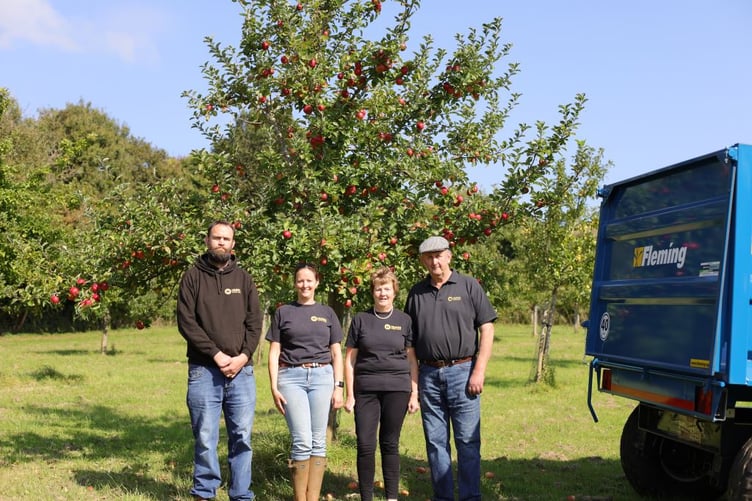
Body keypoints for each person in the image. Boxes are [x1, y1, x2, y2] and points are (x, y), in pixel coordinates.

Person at [404, 236, 497, 501]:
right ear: (424, 260)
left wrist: (479, 370)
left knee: (467, 442)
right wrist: (413, 384)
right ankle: (442, 497)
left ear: (449, 256)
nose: (434, 261)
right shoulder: (416, 292)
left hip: (463, 372)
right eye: (428, 257)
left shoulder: (468, 286)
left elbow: (487, 327)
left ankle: (470, 497)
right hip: (429, 375)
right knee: (435, 443)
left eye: (438, 255)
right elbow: (409, 343)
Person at [177, 220, 263, 501]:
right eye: (217, 238)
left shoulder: (244, 279)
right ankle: (204, 492)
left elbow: (255, 323)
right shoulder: (192, 278)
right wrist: (216, 354)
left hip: (242, 372)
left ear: (233, 244)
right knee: (204, 436)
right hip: (204, 371)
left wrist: (243, 357)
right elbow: (186, 323)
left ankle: (241, 494)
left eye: (227, 239)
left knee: (242, 438)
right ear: (207, 240)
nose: (221, 243)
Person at [266, 263, 345, 501]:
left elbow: (336, 353)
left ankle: (314, 497)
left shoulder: (328, 313)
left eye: (309, 280)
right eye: (300, 280)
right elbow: (274, 352)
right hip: (291, 378)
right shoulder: (283, 312)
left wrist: (338, 386)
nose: (305, 285)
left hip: (322, 377)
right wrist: (273, 385)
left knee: (318, 441)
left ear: (317, 282)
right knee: (301, 440)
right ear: (295, 283)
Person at [344, 267, 420, 501]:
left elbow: (411, 360)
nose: (382, 293)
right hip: (365, 390)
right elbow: (349, 360)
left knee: (390, 443)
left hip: (398, 389)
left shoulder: (405, 321)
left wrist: (414, 393)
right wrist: (350, 394)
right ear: (373, 292)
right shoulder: (360, 319)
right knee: (365, 444)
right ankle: (366, 496)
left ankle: (391, 496)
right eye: (378, 289)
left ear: (394, 291)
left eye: (387, 288)